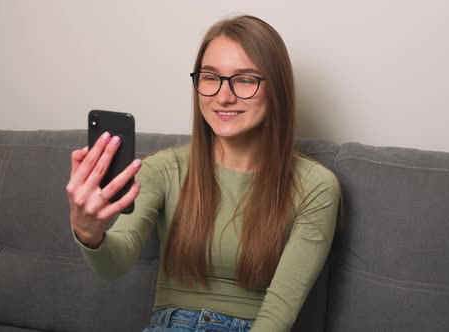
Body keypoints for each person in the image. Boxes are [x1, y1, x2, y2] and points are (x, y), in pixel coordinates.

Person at [66, 15, 341, 332]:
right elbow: (115, 264)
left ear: (276, 88)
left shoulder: (315, 187)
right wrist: (89, 232)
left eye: (245, 79)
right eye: (210, 78)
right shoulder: (163, 169)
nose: (223, 96)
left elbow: (278, 314)